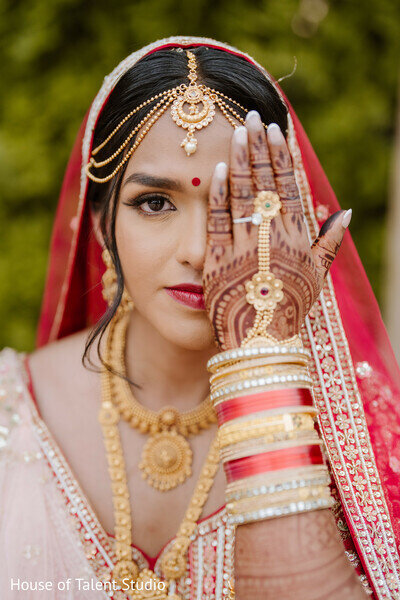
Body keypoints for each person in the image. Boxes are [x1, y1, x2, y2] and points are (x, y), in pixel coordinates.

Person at [1, 36, 399, 600]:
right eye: (154, 203)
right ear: (99, 223)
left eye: (235, 205)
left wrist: (261, 360)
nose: (196, 250)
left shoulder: (354, 434)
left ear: (284, 222)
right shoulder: (14, 406)